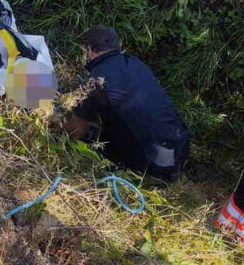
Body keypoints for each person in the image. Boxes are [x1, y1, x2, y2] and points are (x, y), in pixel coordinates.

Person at [65, 26, 190, 181]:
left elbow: (74, 132)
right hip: (179, 151)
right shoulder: (136, 64)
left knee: (91, 138)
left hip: (151, 167)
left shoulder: (96, 81)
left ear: (89, 50)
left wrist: (58, 129)